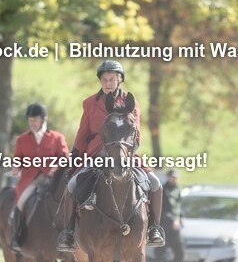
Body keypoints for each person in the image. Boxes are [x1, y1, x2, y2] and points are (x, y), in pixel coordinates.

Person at [56, 59, 165, 252]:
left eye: (112, 79)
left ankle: (154, 229)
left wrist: (127, 150)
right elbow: (83, 133)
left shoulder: (132, 103)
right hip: (97, 152)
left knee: (156, 184)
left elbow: (137, 135)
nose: (108, 83)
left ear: (120, 80)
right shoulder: (90, 103)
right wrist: (75, 155)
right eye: (104, 80)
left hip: (124, 153)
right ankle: (69, 233)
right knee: (72, 185)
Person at [9, 103, 68, 251]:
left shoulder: (57, 137)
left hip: (53, 180)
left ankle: (70, 235)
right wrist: (15, 167)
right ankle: (17, 237)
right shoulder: (22, 139)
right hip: (32, 180)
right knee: (20, 202)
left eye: (34, 120)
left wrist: (54, 168)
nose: (32, 123)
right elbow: (17, 158)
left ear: (43, 120)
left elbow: (65, 157)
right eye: (30, 120)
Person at [154, 169, 186, 262]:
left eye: (176, 177)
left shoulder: (177, 189)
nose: (174, 179)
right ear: (168, 177)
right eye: (172, 177)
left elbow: (179, 206)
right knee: (160, 255)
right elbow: (161, 208)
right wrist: (173, 220)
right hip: (164, 227)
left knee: (180, 253)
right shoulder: (162, 190)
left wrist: (182, 216)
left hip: (175, 229)